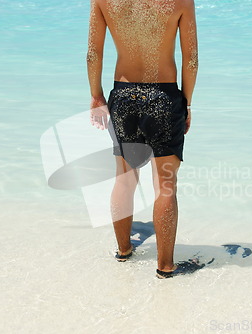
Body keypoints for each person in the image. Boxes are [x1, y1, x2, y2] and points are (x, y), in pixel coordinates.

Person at [86, 0, 198, 278]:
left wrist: (96, 95)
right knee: (165, 186)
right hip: (164, 96)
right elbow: (192, 59)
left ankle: (124, 250)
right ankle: (165, 266)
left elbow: (92, 54)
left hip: (123, 97)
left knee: (124, 179)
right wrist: (187, 103)